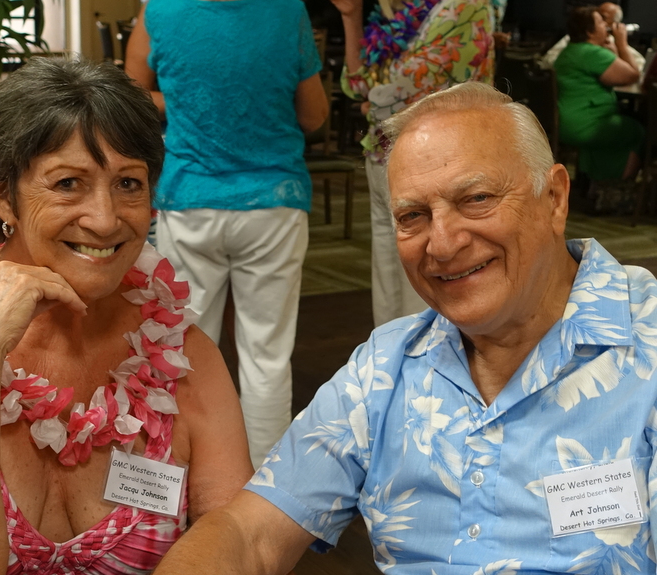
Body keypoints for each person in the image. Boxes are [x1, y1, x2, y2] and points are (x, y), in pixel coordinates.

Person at [150, 81, 657, 574]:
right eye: (413, 215)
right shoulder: (385, 368)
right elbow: (250, 534)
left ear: (555, 198)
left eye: (476, 198)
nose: (443, 243)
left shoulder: (647, 345)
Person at [0, 57, 254, 575]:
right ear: (4, 196)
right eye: (68, 183)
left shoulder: (177, 357)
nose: (105, 220)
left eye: (128, 183)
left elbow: (241, 540)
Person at [125, 0, 329, 469]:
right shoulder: (288, 11)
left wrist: (184, 100)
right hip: (273, 200)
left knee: (183, 348)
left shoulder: (161, 11)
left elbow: (131, 98)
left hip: (191, 199)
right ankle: (266, 485)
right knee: (267, 355)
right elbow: (314, 115)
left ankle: (185, 475)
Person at [330, 0, 501, 327]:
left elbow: (406, 85)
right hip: (383, 158)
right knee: (388, 275)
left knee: (429, 272)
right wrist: (351, 18)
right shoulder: (394, 14)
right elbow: (356, 85)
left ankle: (434, 357)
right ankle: (391, 356)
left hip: (442, 164)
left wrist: (373, 102)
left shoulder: (465, 6)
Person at [554, 6, 644, 181]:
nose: (607, 26)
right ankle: (620, 182)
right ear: (590, 31)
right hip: (587, 125)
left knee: (618, 125)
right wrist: (622, 43)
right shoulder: (592, 53)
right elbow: (632, 75)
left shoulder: (571, 51)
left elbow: (615, 74)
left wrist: (613, 50)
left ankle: (596, 180)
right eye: (602, 23)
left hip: (567, 122)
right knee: (636, 130)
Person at [540, 2, 645, 72]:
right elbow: (547, 61)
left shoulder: (613, 42)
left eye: (603, 18)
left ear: (614, 23)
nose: (597, 20)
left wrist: (619, 50)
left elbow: (640, 66)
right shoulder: (574, 39)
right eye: (597, 16)